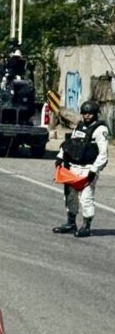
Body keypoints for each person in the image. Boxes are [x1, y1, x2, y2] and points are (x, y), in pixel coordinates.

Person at [53, 100, 109, 238]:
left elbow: (103, 154)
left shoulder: (100, 129)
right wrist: (60, 157)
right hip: (73, 167)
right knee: (70, 195)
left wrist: (94, 171)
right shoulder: (79, 126)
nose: (87, 115)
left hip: (88, 168)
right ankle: (71, 222)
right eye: (85, 113)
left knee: (86, 197)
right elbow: (69, 145)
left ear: (95, 114)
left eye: (90, 113)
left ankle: (86, 226)